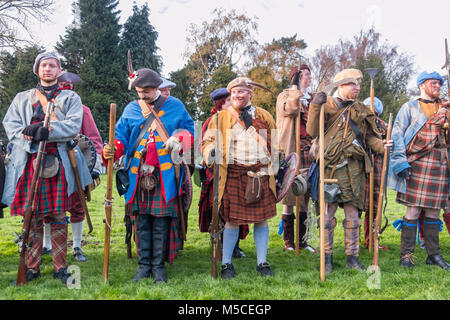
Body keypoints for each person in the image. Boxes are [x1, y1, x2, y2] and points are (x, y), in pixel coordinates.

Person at [2, 52, 92, 284]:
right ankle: (31, 269)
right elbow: (10, 125)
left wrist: (48, 131)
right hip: (30, 162)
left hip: (59, 160)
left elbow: (73, 125)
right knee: (32, 217)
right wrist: (29, 134)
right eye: (43, 65)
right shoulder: (23, 97)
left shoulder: (71, 97)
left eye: (52, 65)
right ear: (37, 70)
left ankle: (60, 268)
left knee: (59, 215)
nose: (48, 69)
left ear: (59, 70)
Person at [102, 68, 194, 283]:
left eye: (146, 91)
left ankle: (158, 266)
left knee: (161, 220)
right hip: (138, 172)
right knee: (141, 220)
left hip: (165, 173)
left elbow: (189, 130)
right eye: (139, 91)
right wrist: (113, 148)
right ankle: (143, 266)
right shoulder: (132, 108)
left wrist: (179, 139)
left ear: (157, 88)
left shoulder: (175, 106)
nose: (141, 95)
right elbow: (121, 134)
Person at [306, 68, 390, 275]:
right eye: (353, 83)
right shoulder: (326, 105)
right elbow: (312, 131)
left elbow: (370, 137)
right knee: (328, 214)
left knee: (353, 214)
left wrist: (382, 145)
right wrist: (316, 105)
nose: (358, 87)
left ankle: (352, 258)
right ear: (341, 86)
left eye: (360, 83)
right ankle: (327, 258)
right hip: (331, 166)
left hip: (355, 168)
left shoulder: (361, 108)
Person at [202, 77, 279, 279]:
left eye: (241, 92)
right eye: (234, 92)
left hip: (260, 173)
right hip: (233, 173)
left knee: (261, 220)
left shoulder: (264, 116)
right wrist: (210, 151)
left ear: (250, 94)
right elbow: (208, 140)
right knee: (232, 221)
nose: (236, 95)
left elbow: (274, 143)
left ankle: (262, 262)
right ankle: (226, 264)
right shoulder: (221, 118)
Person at [388, 71, 450, 270]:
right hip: (417, 163)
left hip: (440, 163)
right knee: (413, 210)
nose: (438, 86)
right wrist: (400, 163)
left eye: (440, 83)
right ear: (422, 85)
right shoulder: (410, 107)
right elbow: (397, 135)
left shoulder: (445, 107)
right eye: (434, 83)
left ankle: (434, 255)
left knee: (433, 211)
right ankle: (407, 256)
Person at [42, 72, 104, 262]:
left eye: (67, 86)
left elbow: (93, 139)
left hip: (75, 163)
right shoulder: (42, 107)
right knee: (47, 207)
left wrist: (94, 165)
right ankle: (46, 245)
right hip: (50, 163)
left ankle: (77, 246)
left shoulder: (83, 110)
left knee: (77, 206)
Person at [198, 88, 247, 258]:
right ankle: (220, 245)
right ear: (221, 104)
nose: (232, 103)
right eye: (228, 101)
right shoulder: (211, 121)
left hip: (237, 171)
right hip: (216, 174)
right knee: (221, 212)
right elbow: (203, 146)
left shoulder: (238, 119)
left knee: (237, 210)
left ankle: (234, 247)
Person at [275, 64, 316, 253]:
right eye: (305, 74)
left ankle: (303, 241)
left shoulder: (312, 99)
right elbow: (290, 110)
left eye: (309, 74)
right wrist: (294, 91)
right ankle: (289, 242)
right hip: (293, 151)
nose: (308, 77)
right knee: (290, 198)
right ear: (296, 77)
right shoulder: (285, 96)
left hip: (309, 151)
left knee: (304, 196)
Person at [361, 96, 388, 250]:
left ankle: (371, 239)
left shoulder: (384, 127)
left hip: (377, 168)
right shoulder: (357, 123)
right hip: (360, 166)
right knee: (357, 205)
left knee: (374, 205)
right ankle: (351, 240)